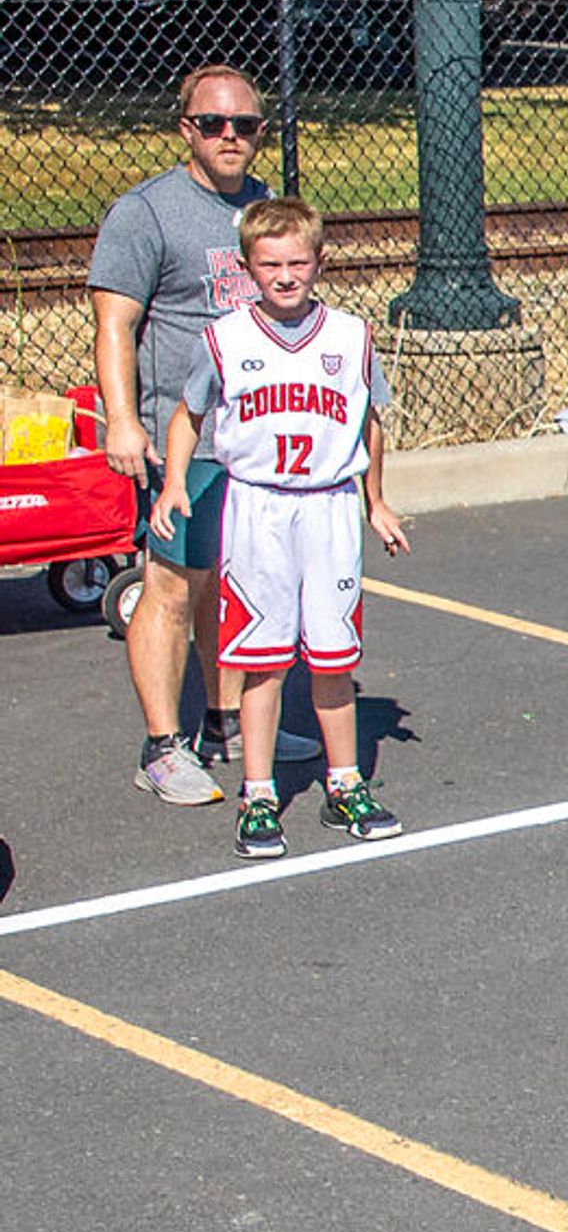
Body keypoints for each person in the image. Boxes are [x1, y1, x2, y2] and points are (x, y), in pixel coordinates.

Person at [151, 198, 407, 860]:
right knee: (262, 661)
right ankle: (258, 792)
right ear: (247, 268)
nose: (286, 275)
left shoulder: (351, 336)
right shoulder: (227, 339)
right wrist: (176, 481)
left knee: (333, 656)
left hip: (326, 507)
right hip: (259, 507)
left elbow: (368, 424)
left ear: (321, 261)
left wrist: (374, 500)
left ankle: (345, 781)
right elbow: (187, 416)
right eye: (270, 264)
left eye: (298, 261)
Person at [90, 64, 307, 807]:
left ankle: (225, 722)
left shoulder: (265, 208)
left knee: (235, 586)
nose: (230, 137)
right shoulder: (146, 212)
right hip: (184, 439)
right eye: (214, 124)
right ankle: (162, 747)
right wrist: (123, 420)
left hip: (259, 441)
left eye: (244, 125)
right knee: (172, 587)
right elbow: (115, 323)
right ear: (186, 127)